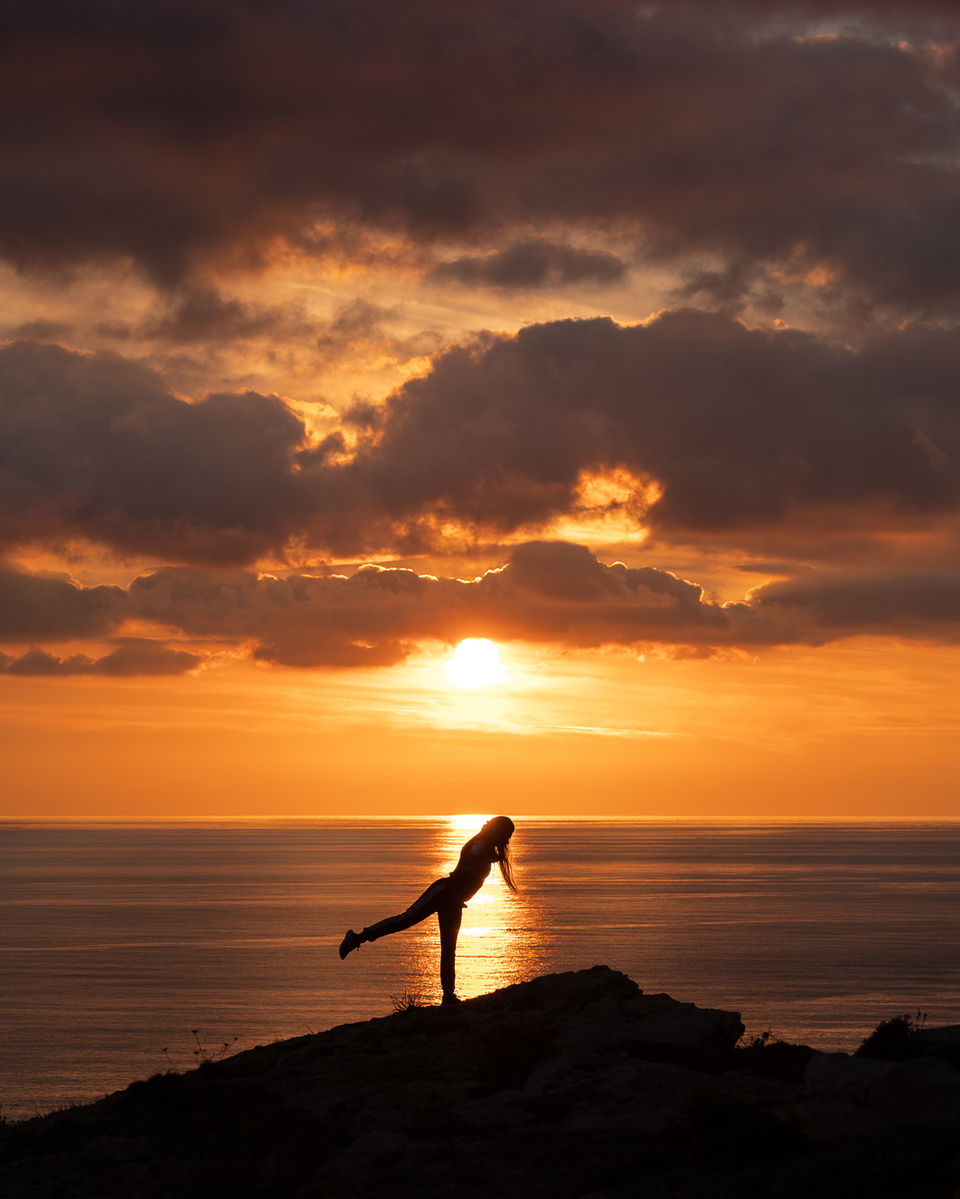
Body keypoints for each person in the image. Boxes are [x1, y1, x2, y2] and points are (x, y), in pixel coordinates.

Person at [338, 816, 517, 1005]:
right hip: (443, 892)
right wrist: (488, 857)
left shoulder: (485, 846)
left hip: (454, 902)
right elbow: (473, 857)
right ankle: (356, 938)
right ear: (499, 832)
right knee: (405, 920)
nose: (507, 841)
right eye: (507, 835)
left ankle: (448, 996)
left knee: (449, 949)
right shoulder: (481, 845)